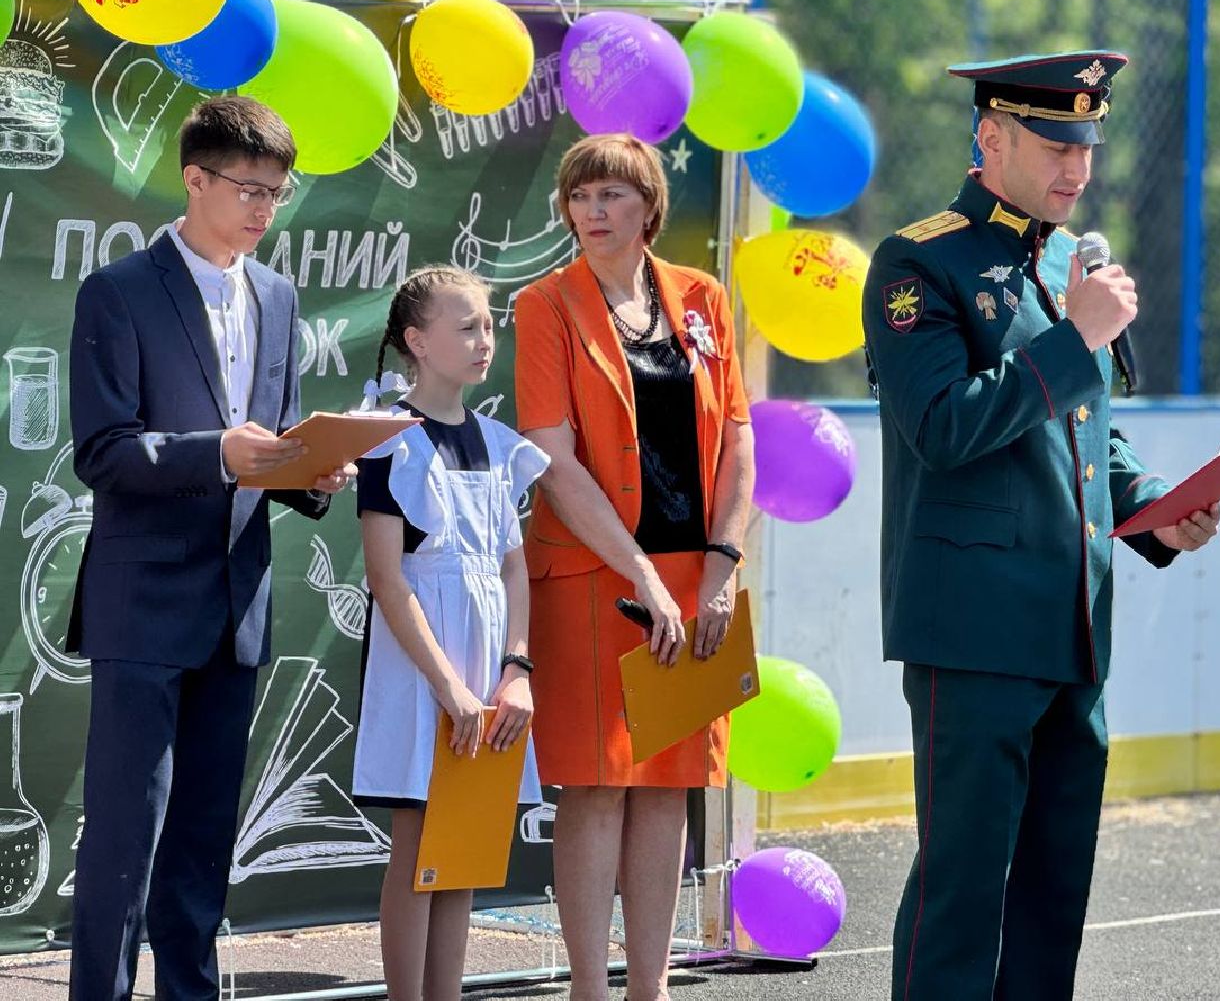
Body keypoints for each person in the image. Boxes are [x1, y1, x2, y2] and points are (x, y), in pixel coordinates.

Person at [861, 51, 1220, 1000]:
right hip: (975, 625)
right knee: (963, 892)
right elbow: (944, 428)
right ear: (991, 138)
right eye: (1055, 142)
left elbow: (1085, 433)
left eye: (1088, 145)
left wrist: (1155, 510)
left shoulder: (1068, 261)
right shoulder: (918, 260)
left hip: (1074, 624)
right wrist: (1077, 340)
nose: (1077, 166)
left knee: (1053, 897)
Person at [66, 96, 350, 1000]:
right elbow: (103, 452)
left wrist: (309, 474)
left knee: (201, 842)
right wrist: (219, 455)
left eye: (279, 192)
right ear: (195, 180)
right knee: (122, 839)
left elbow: (272, 443)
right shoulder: (118, 291)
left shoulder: (277, 293)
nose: (267, 209)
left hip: (238, 604)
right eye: (251, 189)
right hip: (142, 604)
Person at [513, 133, 754, 1001]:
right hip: (593, 577)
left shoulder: (703, 297)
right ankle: (589, 987)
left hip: (698, 578)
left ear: (650, 206)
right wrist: (642, 576)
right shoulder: (545, 305)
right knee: (596, 787)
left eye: (611, 195)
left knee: (668, 789)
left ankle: (647, 989)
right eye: (580, 197)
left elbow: (737, 435)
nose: (593, 212)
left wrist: (720, 566)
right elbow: (552, 456)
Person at [351, 265, 548, 1001]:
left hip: (487, 672)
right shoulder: (387, 442)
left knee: (463, 845)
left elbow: (514, 571)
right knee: (417, 844)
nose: (483, 340)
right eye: (465, 326)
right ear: (416, 340)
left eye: (488, 326)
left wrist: (515, 669)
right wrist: (449, 688)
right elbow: (389, 580)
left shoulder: (501, 444)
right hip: (421, 671)